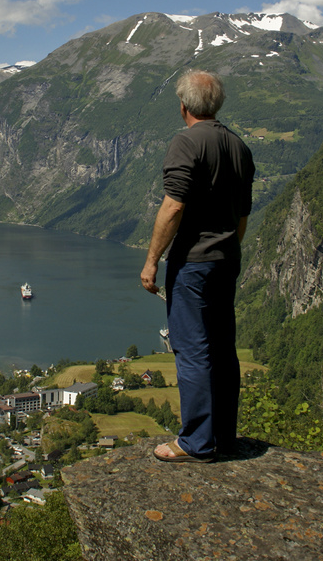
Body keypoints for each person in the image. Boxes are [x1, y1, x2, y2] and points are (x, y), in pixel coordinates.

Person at [140, 69, 254, 463]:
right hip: (227, 260)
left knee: (192, 350)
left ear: (183, 106)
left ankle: (195, 442)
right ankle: (223, 435)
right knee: (223, 348)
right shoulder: (239, 147)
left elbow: (173, 207)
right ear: (217, 104)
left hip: (193, 264)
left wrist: (152, 261)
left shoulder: (186, 143)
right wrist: (227, 250)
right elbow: (242, 216)